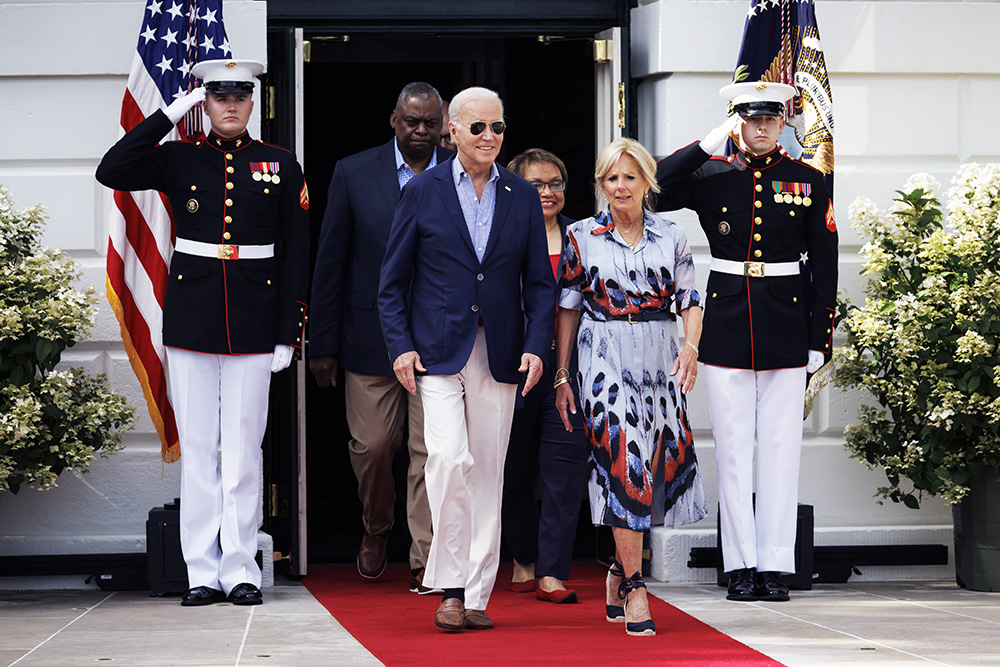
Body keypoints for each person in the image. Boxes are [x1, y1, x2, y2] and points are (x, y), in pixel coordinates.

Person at [96, 59, 310, 607]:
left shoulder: (280, 164)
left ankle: (241, 568)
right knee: (198, 449)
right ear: (205, 102)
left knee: (243, 451)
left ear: (254, 101)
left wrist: (289, 333)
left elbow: (297, 256)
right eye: (219, 97)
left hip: (257, 322)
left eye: (241, 95)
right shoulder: (178, 156)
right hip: (191, 320)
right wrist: (168, 114)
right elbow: (113, 169)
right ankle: (200, 572)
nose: (231, 105)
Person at [378, 86, 555, 631]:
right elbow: (392, 283)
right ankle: (448, 581)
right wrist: (400, 345)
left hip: (499, 352)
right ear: (452, 131)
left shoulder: (522, 196)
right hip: (436, 349)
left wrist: (535, 346)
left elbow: (541, 286)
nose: (488, 137)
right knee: (448, 459)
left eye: (497, 127)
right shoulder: (424, 190)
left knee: (488, 474)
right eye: (477, 128)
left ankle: (471, 594)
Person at [655, 81, 838, 602]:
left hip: (786, 325)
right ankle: (740, 565)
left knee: (781, 451)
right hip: (729, 322)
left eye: (770, 120)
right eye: (750, 119)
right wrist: (707, 143)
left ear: (783, 122)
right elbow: (651, 187)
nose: (761, 129)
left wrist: (819, 335)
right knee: (734, 452)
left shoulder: (806, 178)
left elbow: (824, 260)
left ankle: (776, 566)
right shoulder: (710, 172)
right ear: (736, 120)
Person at [555, 138, 706, 637]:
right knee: (626, 461)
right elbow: (569, 308)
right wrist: (562, 375)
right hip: (603, 357)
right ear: (601, 184)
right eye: (611, 178)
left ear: (647, 182)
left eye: (630, 177)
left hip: (660, 355)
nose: (620, 186)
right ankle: (637, 584)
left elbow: (689, 296)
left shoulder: (671, 234)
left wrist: (690, 346)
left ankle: (617, 570)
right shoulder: (582, 235)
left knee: (656, 463)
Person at [308, 82, 452, 592]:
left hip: (439, 341)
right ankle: (375, 527)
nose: (420, 131)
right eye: (411, 121)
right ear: (393, 119)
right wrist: (321, 344)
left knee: (428, 451)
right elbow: (331, 262)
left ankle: (426, 556)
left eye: (430, 123)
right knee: (372, 446)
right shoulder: (353, 171)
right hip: (368, 339)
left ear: (443, 125)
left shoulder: (461, 172)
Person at [501, 149, 587, 604]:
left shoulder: (585, 236)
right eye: (536, 185)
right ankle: (523, 559)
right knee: (513, 470)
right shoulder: (502, 235)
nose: (548, 193)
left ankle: (552, 571)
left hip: (568, 373)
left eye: (555, 183)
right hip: (514, 369)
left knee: (564, 470)